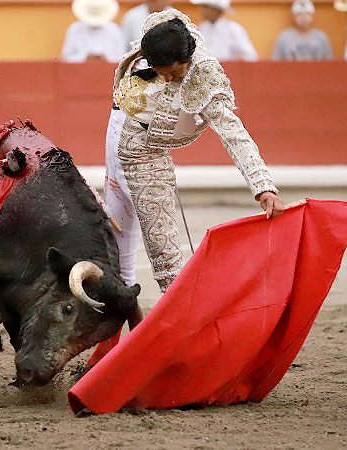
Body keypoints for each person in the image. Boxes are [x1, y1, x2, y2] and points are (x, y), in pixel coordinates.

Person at [105, 9, 283, 292]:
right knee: (115, 235)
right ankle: (119, 316)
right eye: (164, 73)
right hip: (120, 132)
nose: (171, 79)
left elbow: (234, 133)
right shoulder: (159, 28)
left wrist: (263, 186)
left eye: (176, 72)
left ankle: (178, 318)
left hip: (146, 153)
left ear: (187, 58)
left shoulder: (203, 77)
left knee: (168, 261)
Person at [189, 0, 258, 61]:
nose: (202, 10)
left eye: (206, 7)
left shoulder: (233, 29)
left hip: (227, 71)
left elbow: (250, 55)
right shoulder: (202, 27)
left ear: (217, 10)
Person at [61, 0, 126, 63]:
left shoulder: (114, 30)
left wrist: (107, 58)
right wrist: (84, 57)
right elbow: (66, 57)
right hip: (80, 70)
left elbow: (122, 57)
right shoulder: (75, 29)